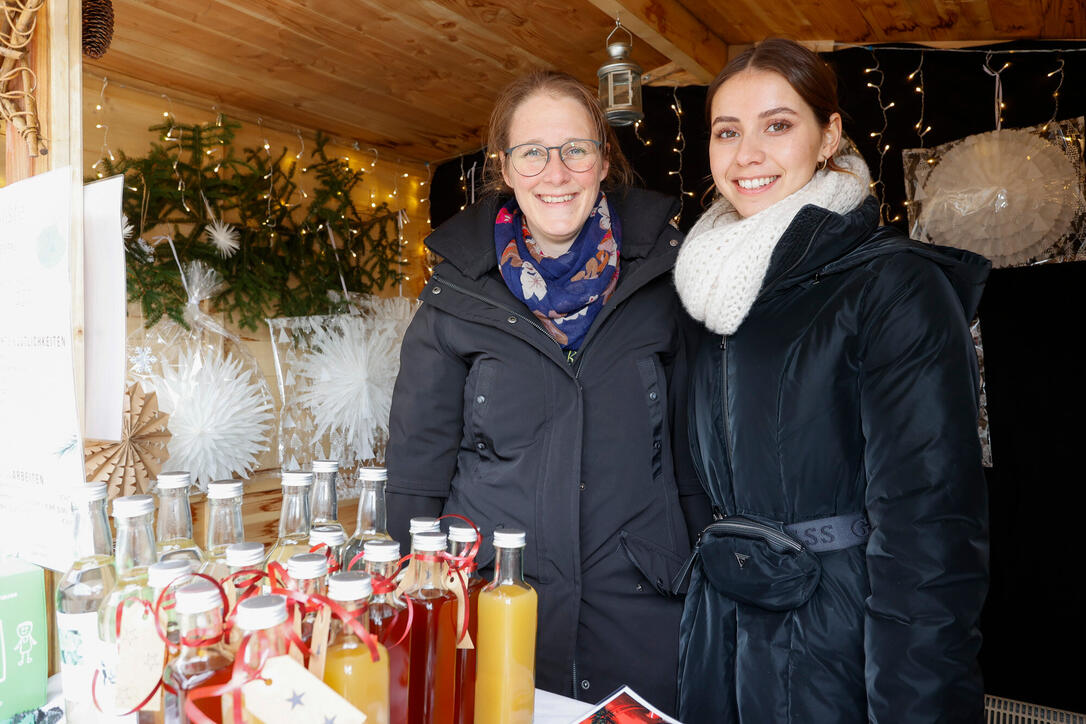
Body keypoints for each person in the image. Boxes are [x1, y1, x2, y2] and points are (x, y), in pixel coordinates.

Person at [672, 39, 990, 722]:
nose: (746, 154)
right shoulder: (707, 289)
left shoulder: (895, 285)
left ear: (829, 136)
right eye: (727, 132)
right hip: (719, 644)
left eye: (777, 125)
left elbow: (930, 528)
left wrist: (916, 707)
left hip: (837, 654)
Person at [385, 70, 710, 712]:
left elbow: (692, 459)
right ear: (505, 167)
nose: (554, 172)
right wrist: (406, 606)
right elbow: (416, 469)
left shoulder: (669, 280)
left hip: (642, 610)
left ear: (603, 159)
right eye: (532, 152)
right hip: (493, 604)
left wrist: (707, 581)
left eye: (575, 149)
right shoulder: (455, 297)